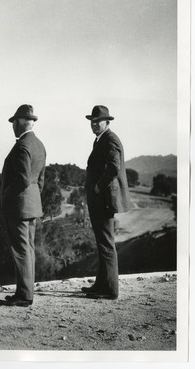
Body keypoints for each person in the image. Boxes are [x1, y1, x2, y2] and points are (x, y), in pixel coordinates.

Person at [0, 104, 46, 307]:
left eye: (14, 123)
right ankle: (25, 292)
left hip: (19, 206)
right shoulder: (39, 145)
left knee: (21, 250)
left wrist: (5, 197)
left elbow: (22, 179)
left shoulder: (22, 146)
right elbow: (40, 179)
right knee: (29, 249)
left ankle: (24, 295)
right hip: (32, 204)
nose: (13, 127)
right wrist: (33, 198)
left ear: (20, 123)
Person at [83, 105, 132, 300]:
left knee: (106, 244)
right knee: (102, 243)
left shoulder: (110, 140)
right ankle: (101, 285)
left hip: (103, 199)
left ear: (107, 122)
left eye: (98, 122)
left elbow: (113, 167)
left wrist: (98, 187)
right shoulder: (101, 139)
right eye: (92, 122)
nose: (94, 125)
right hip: (99, 200)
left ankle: (111, 290)